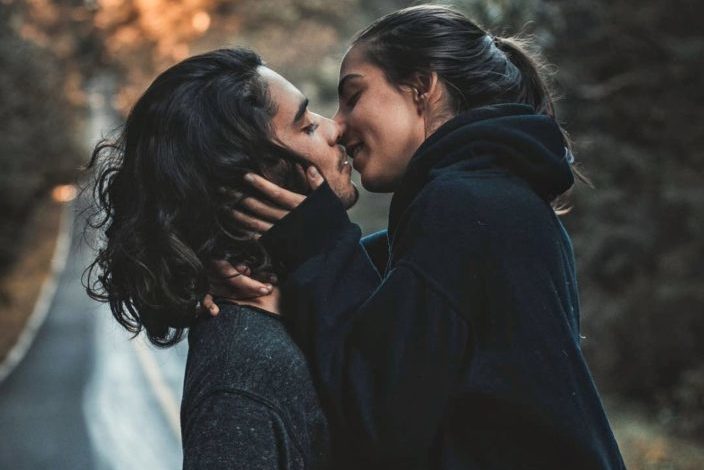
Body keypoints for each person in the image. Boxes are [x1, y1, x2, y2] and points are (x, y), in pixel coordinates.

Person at [223, 5, 626, 469]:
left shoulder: (463, 207)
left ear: (421, 88)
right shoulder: (496, 205)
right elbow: (377, 289)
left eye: (353, 96)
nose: (338, 124)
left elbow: (376, 416)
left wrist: (315, 242)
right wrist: (267, 262)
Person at [84, 47, 361, 469]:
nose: (334, 128)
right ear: (256, 185)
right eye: (306, 126)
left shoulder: (310, 304)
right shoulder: (240, 379)